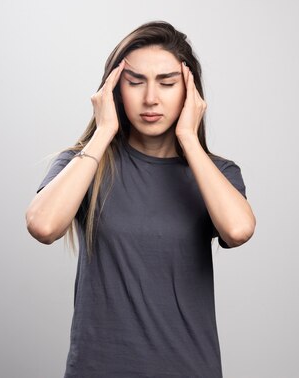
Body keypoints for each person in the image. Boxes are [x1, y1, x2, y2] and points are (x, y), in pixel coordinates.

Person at [25, 21, 256, 377]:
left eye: (167, 83)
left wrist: (190, 140)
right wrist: (103, 133)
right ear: (114, 89)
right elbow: (42, 225)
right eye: (135, 83)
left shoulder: (216, 173)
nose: (151, 98)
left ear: (189, 92)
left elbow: (239, 230)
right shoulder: (84, 164)